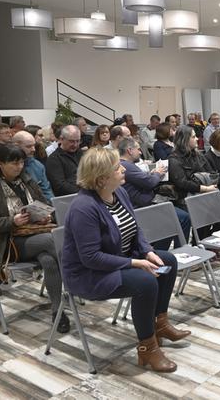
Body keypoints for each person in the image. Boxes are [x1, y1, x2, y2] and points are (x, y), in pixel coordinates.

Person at [63, 147, 189, 372]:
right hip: (90, 273)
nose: (123, 169)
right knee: (145, 282)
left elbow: (135, 227)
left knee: (167, 261)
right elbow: (91, 258)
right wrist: (135, 263)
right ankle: (147, 349)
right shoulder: (84, 208)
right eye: (117, 167)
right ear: (101, 179)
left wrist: (147, 251)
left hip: (119, 257)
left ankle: (159, 324)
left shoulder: (118, 193)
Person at [0, 144, 68, 332]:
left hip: (34, 236)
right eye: (14, 163)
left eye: (22, 162)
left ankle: (58, 311)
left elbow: (46, 205)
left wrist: (46, 216)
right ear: (0, 164)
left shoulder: (27, 181)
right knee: (53, 240)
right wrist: (11, 221)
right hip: (5, 244)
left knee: (49, 260)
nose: (19, 167)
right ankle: (80, 281)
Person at [117, 137, 190, 248]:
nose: (141, 152)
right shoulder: (127, 166)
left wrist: (152, 174)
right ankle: (177, 253)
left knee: (174, 221)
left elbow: (144, 180)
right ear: (129, 150)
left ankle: (163, 254)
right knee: (183, 218)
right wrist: (158, 173)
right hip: (143, 208)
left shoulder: (127, 165)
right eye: (138, 149)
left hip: (146, 204)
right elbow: (150, 182)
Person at [168, 126, 220, 252]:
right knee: (205, 214)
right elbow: (181, 182)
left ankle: (208, 245)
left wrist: (209, 185)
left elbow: (211, 173)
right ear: (184, 139)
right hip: (185, 197)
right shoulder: (174, 159)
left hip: (203, 194)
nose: (197, 138)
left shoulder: (198, 155)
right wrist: (204, 188)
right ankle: (199, 246)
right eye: (193, 136)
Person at [12, 131, 54, 200]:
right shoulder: (6, 166)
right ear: (16, 146)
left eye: (34, 145)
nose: (33, 149)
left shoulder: (38, 166)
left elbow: (46, 191)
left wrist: (53, 206)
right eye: (29, 146)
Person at [45, 125, 84, 197]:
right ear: (61, 139)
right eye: (71, 141)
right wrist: (83, 192)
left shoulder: (80, 152)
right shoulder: (54, 159)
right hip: (69, 198)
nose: (75, 145)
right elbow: (60, 186)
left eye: (78, 141)